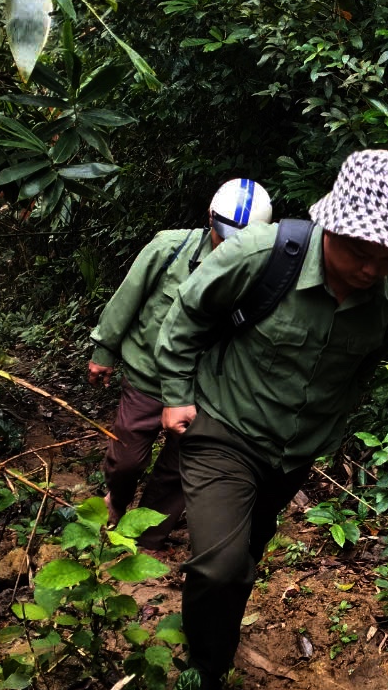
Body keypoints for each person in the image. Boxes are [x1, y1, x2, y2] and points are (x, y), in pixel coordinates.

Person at [155, 149, 388, 690]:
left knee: (247, 552)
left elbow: (367, 361)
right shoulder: (262, 255)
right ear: (331, 226)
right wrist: (177, 396)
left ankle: (216, 629)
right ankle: (204, 674)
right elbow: (185, 316)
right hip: (223, 425)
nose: (373, 268)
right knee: (220, 564)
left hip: (296, 449)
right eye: (359, 250)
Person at [88, 178, 274, 550]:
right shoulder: (170, 247)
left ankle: (147, 539)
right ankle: (117, 501)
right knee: (126, 460)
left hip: (204, 390)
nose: (231, 244)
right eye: (225, 234)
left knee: (178, 468)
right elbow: (129, 297)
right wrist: (103, 350)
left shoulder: (264, 271)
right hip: (147, 374)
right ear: (210, 217)